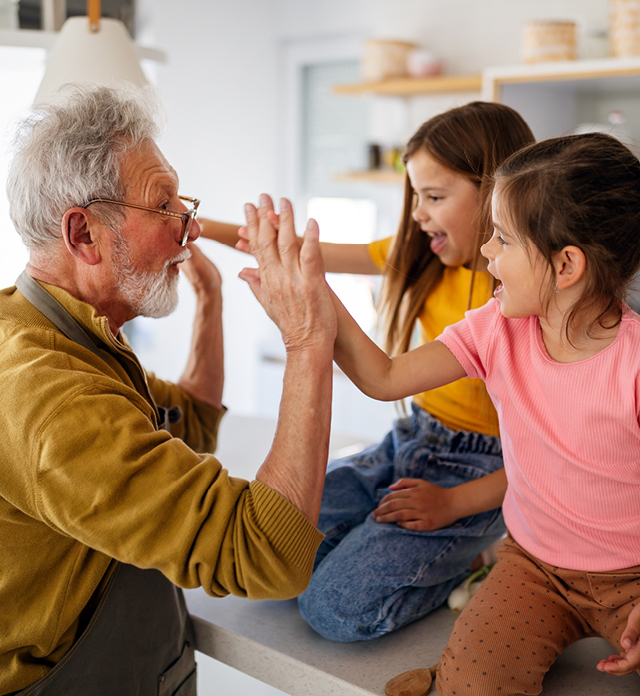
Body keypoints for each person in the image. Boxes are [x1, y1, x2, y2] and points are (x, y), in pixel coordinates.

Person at [0, 84, 336, 696]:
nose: (191, 224)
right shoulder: (54, 401)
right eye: (164, 204)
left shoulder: (51, 332)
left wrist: (210, 302)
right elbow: (266, 553)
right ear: (84, 235)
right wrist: (309, 340)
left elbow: (189, 425)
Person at [301, 131, 640, 692]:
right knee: (470, 685)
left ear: (566, 266)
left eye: (502, 240)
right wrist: (315, 290)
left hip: (633, 578)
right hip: (534, 569)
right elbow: (383, 378)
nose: (486, 254)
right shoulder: (494, 329)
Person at [216, 102, 535, 641]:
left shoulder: (522, 306)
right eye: (415, 197)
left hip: (480, 476)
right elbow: (296, 252)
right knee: (266, 558)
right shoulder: (424, 256)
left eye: (434, 197)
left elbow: (545, 459)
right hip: (406, 441)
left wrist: (455, 504)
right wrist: (194, 225)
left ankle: (480, 553)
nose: (417, 214)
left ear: (501, 193)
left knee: (333, 609)